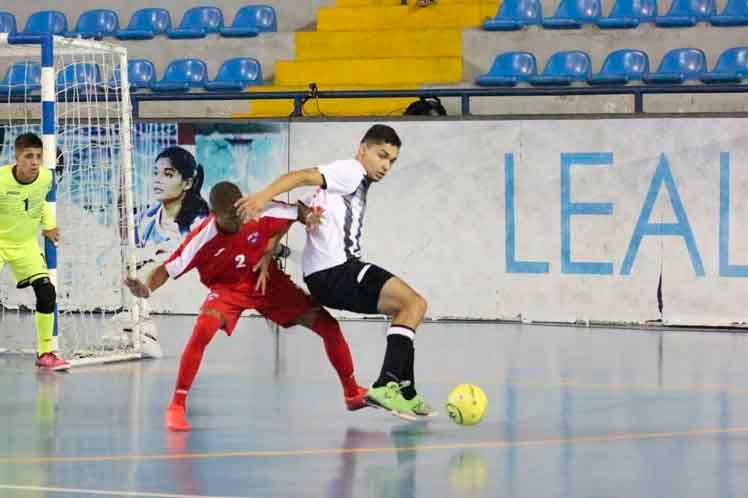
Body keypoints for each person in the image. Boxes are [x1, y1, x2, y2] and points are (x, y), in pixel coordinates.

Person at [125, 181, 367, 431]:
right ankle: (176, 405)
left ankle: (352, 393)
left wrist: (302, 224)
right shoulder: (202, 238)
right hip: (228, 289)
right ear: (214, 214)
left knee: (328, 325)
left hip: (266, 282)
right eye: (230, 216)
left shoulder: (259, 210)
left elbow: (297, 212)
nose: (239, 219)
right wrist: (147, 288)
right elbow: (167, 269)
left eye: (240, 211)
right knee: (202, 330)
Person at [235, 124, 434, 420]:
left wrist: (269, 250)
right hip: (338, 271)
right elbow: (299, 176)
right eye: (381, 155)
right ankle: (386, 385)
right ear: (362, 149)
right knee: (414, 303)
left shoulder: (342, 186)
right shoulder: (350, 171)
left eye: (392, 161)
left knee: (406, 310)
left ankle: (406, 392)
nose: (386, 166)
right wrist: (263, 197)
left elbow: (298, 210)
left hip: (326, 278)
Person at [0, 133, 68, 370]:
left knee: (47, 292)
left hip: (25, 244)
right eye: (28, 156)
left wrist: (48, 225)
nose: (34, 162)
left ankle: (45, 352)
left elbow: (42, 202)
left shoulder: (46, 178)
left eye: (38, 156)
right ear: (16, 159)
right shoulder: (0, 180)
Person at [135, 146, 209, 261]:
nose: (157, 180)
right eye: (155, 173)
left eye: (168, 174)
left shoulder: (200, 225)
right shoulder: (142, 220)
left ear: (187, 183)